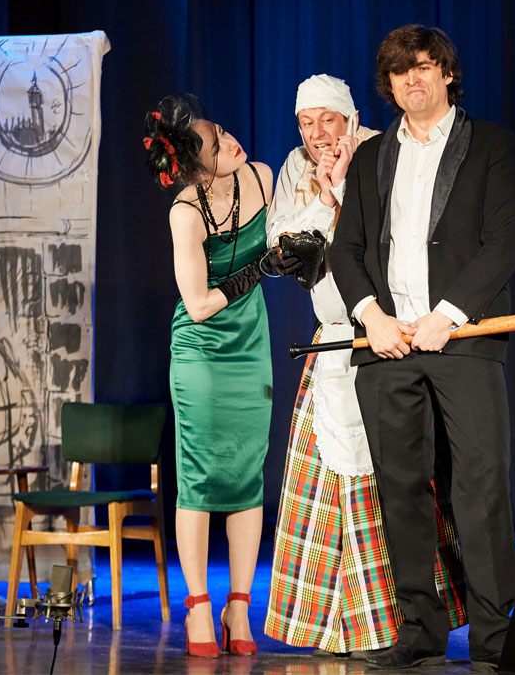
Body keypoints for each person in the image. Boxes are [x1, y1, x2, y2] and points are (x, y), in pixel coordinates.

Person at [329, 25, 515, 672]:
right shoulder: (371, 156)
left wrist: (449, 314)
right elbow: (346, 249)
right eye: (399, 71)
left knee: (481, 485)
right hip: (387, 347)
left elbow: (503, 241)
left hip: (462, 340)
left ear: (447, 73)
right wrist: (372, 316)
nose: (412, 79)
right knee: (401, 489)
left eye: (424, 66)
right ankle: (419, 628)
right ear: (388, 85)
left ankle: (496, 637)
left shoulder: (490, 145)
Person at [263, 74, 467, 655]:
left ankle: (402, 623)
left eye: (327, 120)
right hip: (332, 340)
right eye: (306, 123)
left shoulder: (383, 152)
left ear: (350, 118)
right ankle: (337, 625)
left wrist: (346, 187)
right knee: (330, 490)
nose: (317, 134)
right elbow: (283, 248)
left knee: (395, 484)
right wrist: (325, 199)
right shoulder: (296, 167)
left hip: (389, 336)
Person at [143, 94, 295, 657]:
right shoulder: (185, 213)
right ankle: (198, 607)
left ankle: (239, 606)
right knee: (202, 476)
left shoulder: (262, 176)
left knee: (247, 474)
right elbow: (200, 304)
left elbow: (291, 235)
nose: (231, 142)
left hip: (251, 344)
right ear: (194, 163)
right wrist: (261, 268)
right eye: (215, 143)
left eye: (224, 130)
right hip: (202, 352)